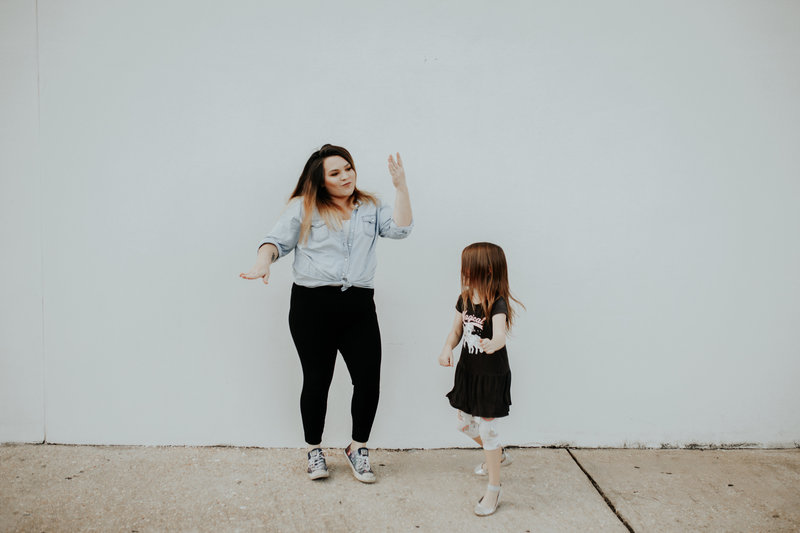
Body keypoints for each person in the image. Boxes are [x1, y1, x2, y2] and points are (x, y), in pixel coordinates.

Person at [240, 144, 413, 483]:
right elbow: (275, 241)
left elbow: (402, 229)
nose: (345, 176)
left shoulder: (370, 207)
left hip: (358, 306)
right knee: (317, 381)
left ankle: (357, 448)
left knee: (368, 381)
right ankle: (313, 450)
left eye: (347, 168)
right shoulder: (304, 207)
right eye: (335, 173)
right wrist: (263, 262)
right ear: (321, 181)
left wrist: (401, 187)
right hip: (311, 307)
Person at [438, 242, 523, 516]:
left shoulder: (497, 302)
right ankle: (498, 454)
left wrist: (493, 343)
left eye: (467, 267)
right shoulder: (464, 298)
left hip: (491, 375)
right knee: (464, 425)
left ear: (485, 269)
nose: (463, 271)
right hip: (468, 372)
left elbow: (499, 334)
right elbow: (455, 332)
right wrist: (446, 348)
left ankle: (494, 488)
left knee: (487, 430)